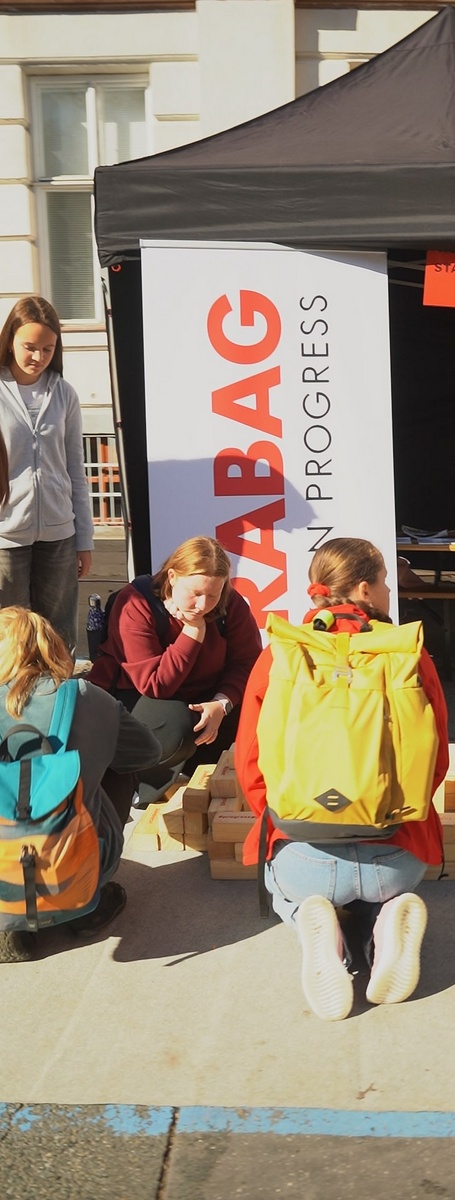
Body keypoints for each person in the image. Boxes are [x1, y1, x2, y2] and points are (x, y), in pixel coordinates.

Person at [235, 537, 450, 1022]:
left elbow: (250, 759)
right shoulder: (406, 652)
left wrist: (283, 817)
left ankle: (321, 936)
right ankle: (384, 926)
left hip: (305, 860)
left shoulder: (282, 653)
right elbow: (435, 758)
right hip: (395, 858)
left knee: (281, 885)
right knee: (382, 894)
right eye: (386, 582)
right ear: (364, 589)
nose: (390, 592)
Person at [0, 606, 162, 964]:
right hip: (71, 857)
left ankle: (9, 916)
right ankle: (87, 896)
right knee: (118, 765)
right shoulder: (87, 696)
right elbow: (148, 752)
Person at [88, 535, 262, 810]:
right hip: (139, 699)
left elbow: (247, 662)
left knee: (261, 712)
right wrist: (193, 631)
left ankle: (202, 771)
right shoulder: (136, 602)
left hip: (205, 698)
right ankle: (134, 781)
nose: (203, 605)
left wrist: (221, 703)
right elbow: (155, 684)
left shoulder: (231, 603)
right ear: (172, 577)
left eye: (213, 595)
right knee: (176, 726)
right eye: (195, 593)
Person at [0, 296, 94, 654]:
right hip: (6, 536)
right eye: (30, 347)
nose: (38, 357)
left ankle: (59, 689)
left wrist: (84, 539)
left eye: (47, 349)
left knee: (59, 635)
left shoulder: (63, 394)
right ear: (10, 340)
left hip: (59, 535)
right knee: (11, 637)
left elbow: (75, 470)